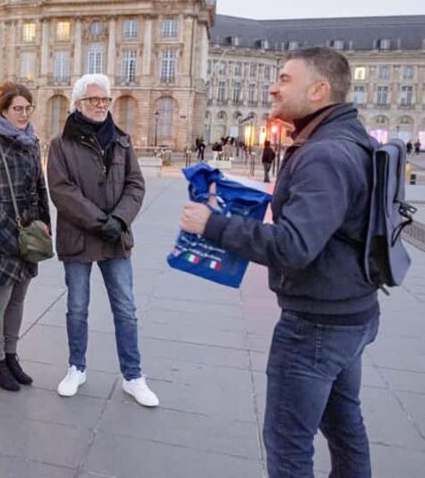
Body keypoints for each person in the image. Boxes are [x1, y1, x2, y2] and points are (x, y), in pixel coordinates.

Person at [180, 47, 379, 478]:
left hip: (316, 326)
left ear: (319, 90)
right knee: (346, 428)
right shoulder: (347, 139)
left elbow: (293, 245)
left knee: (288, 447)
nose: (273, 87)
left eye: (285, 79)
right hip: (350, 311)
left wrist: (212, 225)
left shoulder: (325, 154)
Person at [47, 73, 159, 408]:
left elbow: (135, 184)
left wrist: (120, 219)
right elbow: (62, 191)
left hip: (115, 238)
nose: (100, 105)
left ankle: (133, 375)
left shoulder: (122, 141)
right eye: (94, 100)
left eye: (105, 100)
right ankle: (76, 367)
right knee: (77, 307)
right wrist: (101, 222)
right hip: (80, 237)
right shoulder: (60, 144)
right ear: (78, 103)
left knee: (125, 309)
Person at [0, 82, 51, 392]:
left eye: (27, 108)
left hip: (28, 232)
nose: (23, 113)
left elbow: (40, 186)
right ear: (3, 110)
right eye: (17, 108)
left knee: (18, 299)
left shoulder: (32, 142)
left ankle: (12, 355)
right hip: (0, 230)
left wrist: (45, 222)